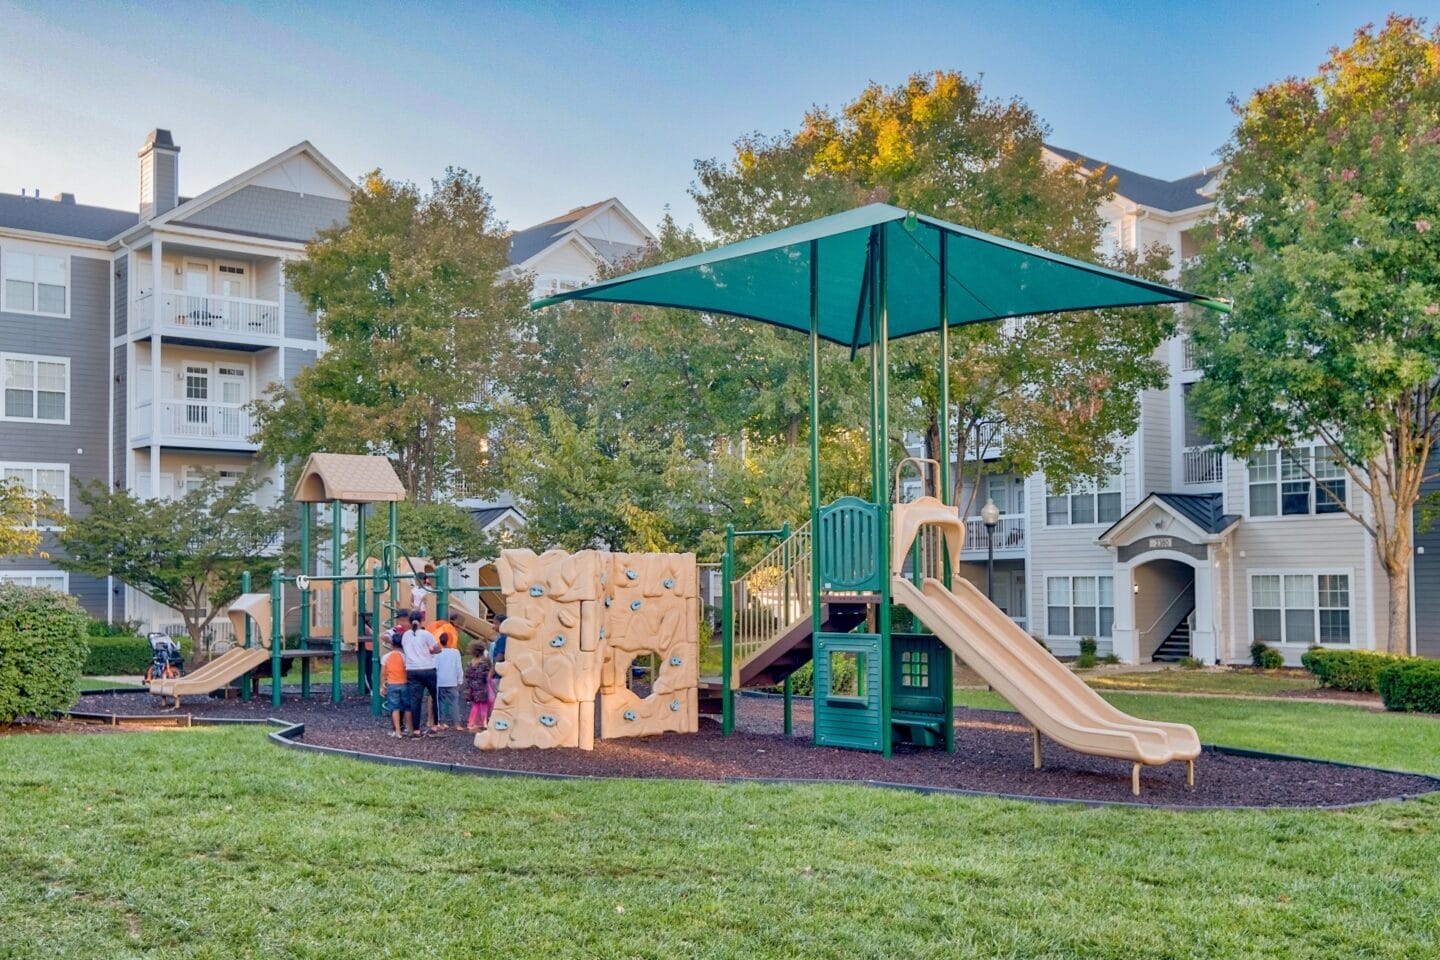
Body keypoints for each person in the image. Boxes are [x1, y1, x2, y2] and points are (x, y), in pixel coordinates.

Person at [401, 614, 441, 735]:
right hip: (428, 668)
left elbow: (405, 650)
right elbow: (438, 649)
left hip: (412, 670)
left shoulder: (405, 635)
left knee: (415, 700)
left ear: (409, 621)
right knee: (435, 697)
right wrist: (430, 651)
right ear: (421, 620)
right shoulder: (426, 634)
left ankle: (416, 730)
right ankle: (434, 726)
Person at [379, 633, 410, 738]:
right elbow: (408, 671)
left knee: (394, 708)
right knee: (407, 707)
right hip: (404, 684)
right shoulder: (405, 657)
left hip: (392, 684)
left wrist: (382, 686)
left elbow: (383, 674)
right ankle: (409, 729)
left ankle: (397, 731)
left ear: (391, 644)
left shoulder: (386, 657)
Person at [434, 634, 463, 731]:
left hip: (440, 681)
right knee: (454, 703)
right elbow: (459, 667)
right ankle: (457, 724)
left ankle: (442, 722)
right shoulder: (455, 652)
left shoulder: (437, 653)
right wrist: (460, 680)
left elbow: (435, 667)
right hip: (452, 681)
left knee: (440, 703)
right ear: (449, 641)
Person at [464, 641, 493, 731]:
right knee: (483, 705)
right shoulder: (484, 663)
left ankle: (472, 721)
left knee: (475, 704)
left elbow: (467, 675)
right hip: (482, 687)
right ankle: (482, 722)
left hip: (472, 687)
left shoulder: (470, 662)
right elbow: (486, 676)